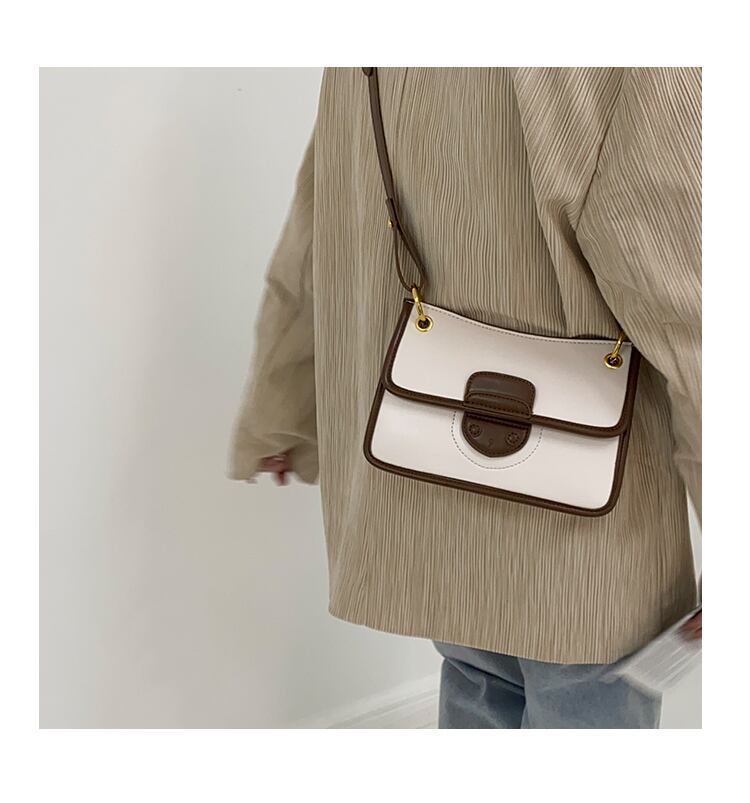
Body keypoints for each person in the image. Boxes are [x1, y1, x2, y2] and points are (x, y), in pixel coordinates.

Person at [229, 68, 701, 729]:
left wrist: (280, 406)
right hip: (584, 524)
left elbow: (323, 218)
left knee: (477, 677)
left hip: (433, 478)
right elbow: (688, 300)